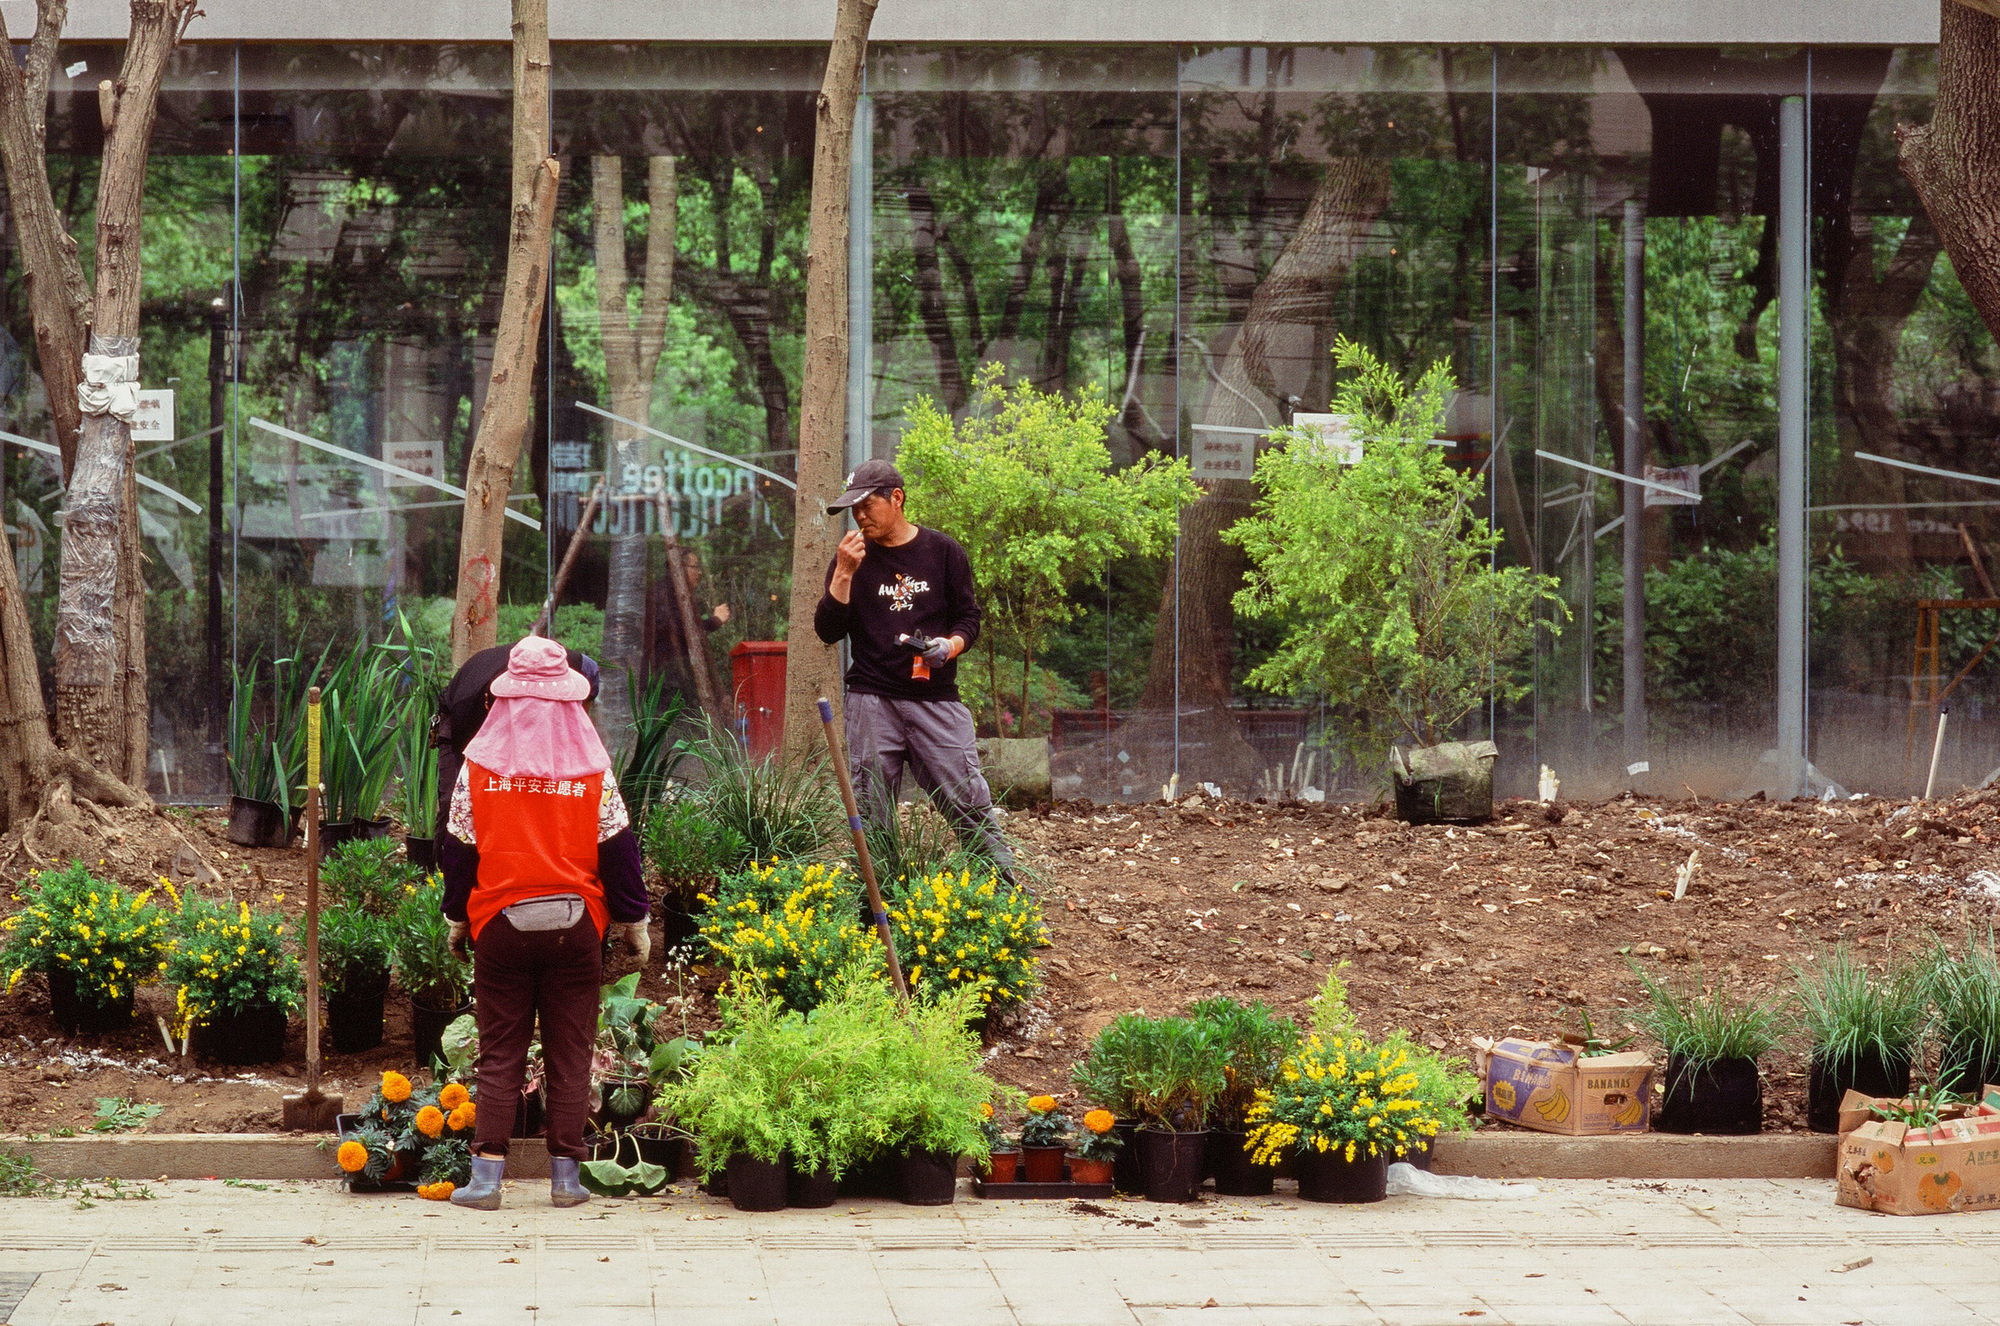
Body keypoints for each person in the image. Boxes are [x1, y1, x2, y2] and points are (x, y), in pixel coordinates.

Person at [436, 636, 651, 1210]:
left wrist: (459, 918)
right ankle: (565, 1180)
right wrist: (635, 923)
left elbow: (458, 849)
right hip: (575, 925)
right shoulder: (592, 771)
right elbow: (619, 851)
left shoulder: (477, 767)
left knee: (499, 1050)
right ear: (568, 699)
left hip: (501, 927)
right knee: (571, 1051)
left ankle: (485, 1180)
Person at [812, 457, 1014, 878]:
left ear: (897, 498)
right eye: (854, 508)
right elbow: (827, 631)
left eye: (867, 505)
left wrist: (950, 645)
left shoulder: (943, 552)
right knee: (871, 808)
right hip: (871, 699)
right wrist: (844, 575)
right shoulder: (851, 557)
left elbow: (969, 618)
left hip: (935, 697)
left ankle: (1007, 899)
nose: (860, 515)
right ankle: (879, 911)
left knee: (967, 797)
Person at [431, 638, 600, 845]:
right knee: (454, 802)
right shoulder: (468, 707)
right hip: (456, 717)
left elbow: (590, 671)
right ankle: (440, 869)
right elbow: (468, 776)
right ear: (492, 702)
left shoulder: (565, 665)